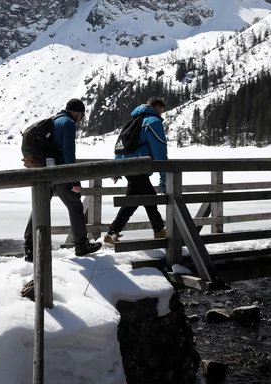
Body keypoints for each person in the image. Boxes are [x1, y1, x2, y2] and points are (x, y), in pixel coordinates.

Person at [23, 98, 103, 261]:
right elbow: (68, 153)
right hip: (61, 173)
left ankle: (29, 247)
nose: (81, 119)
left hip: (46, 171)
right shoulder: (68, 123)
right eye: (81, 115)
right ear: (76, 112)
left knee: (40, 206)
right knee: (75, 206)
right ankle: (81, 245)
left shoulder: (55, 120)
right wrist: (75, 180)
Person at [104, 97, 169, 246]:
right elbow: (159, 150)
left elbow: (121, 146)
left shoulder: (132, 121)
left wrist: (118, 168)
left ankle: (114, 233)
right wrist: (164, 176)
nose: (161, 114)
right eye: (162, 111)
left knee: (139, 199)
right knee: (143, 200)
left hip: (129, 167)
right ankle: (158, 231)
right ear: (157, 108)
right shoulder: (153, 121)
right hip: (140, 166)